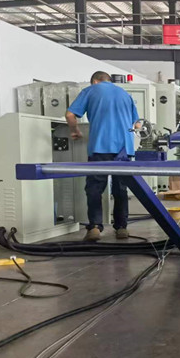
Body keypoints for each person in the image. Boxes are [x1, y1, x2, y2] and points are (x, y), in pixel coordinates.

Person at [66, 71, 141, 241]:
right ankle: (121, 227)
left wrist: (75, 131)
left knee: (94, 187)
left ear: (94, 81)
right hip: (124, 147)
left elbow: (70, 114)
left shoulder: (90, 91)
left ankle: (94, 227)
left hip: (100, 146)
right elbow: (137, 124)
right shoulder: (125, 94)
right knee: (120, 188)